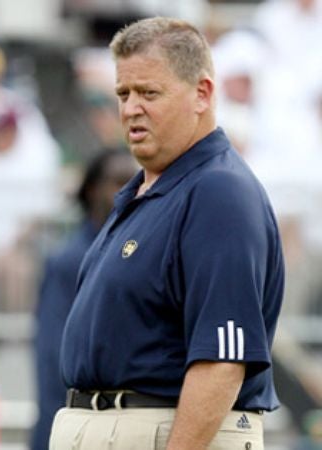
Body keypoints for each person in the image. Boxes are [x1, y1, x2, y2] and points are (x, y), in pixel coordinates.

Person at [51, 17, 285, 450]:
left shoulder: (218, 191)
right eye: (123, 93)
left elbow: (223, 359)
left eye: (149, 93)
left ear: (202, 94)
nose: (130, 108)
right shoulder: (150, 190)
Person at [30, 148, 138, 450]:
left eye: (135, 180)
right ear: (92, 189)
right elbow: (54, 355)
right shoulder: (69, 261)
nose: (130, 189)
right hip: (78, 425)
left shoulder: (139, 251)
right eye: (118, 180)